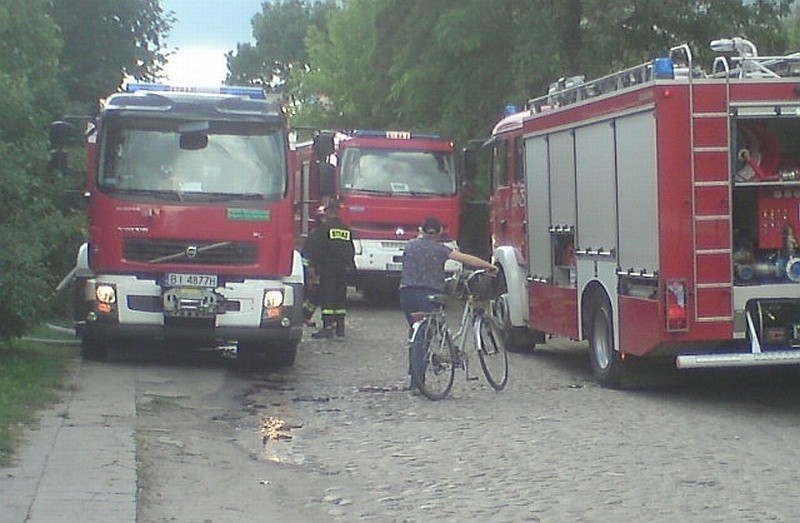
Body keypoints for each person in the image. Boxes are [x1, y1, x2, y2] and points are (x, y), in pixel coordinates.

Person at [399, 217, 498, 386]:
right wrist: (489, 266)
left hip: (406, 293)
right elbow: (466, 259)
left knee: (416, 331)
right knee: (425, 335)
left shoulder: (409, 245)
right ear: (439, 233)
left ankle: (414, 371)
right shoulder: (440, 249)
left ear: (421, 230)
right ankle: (418, 382)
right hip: (429, 295)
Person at [303, 198, 355, 338]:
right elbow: (350, 250)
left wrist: (312, 267)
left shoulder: (323, 229)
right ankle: (340, 327)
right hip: (342, 269)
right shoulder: (345, 229)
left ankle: (327, 327)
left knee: (328, 296)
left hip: (327, 269)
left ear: (328, 212)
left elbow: (316, 250)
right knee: (340, 297)